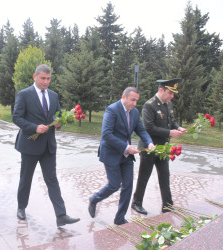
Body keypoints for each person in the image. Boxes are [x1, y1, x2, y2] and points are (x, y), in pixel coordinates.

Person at [13, 64, 80, 227]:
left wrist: (59, 123)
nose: (46, 82)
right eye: (43, 78)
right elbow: (16, 117)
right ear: (35, 77)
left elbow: (57, 115)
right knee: (26, 178)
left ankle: (61, 215)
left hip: (49, 146)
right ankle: (21, 207)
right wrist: (34, 127)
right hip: (30, 145)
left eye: (48, 79)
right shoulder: (24, 94)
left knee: (52, 179)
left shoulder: (53, 95)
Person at [88, 87, 154, 225]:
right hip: (111, 153)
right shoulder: (112, 110)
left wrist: (150, 143)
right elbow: (106, 135)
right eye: (133, 100)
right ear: (124, 97)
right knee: (114, 185)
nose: (135, 103)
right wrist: (126, 147)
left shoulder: (135, 112)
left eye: (137, 100)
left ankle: (119, 218)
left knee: (128, 186)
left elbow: (141, 130)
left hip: (126, 156)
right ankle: (94, 199)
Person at [132, 78, 187, 215]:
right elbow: (148, 128)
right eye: (170, 93)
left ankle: (167, 205)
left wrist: (179, 128)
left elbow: (172, 121)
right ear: (161, 90)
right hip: (149, 149)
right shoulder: (149, 105)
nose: (172, 96)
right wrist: (170, 132)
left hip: (163, 149)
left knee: (165, 176)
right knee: (144, 177)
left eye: (173, 94)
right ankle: (136, 203)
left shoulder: (168, 104)